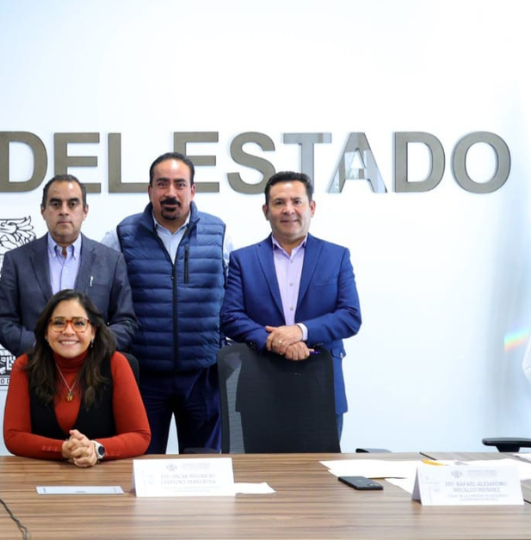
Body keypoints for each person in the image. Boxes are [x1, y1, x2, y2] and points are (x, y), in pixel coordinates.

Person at [104, 152, 233, 454]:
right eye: (162, 184)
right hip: (143, 377)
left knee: (204, 467)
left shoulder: (219, 234)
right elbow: (102, 301)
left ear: (193, 190)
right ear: (150, 190)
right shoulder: (121, 235)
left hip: (203, 376)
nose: (171, 193)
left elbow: (232, 298)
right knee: (141, 464)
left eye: (179, 184)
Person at [220, 171, 361, 437]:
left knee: (321, 464)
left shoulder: (336, 256)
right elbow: (230, 317)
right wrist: (275, 340)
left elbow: (350, 316)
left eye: (297, 201)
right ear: (266, 211)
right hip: (259, 385)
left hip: (322, 387)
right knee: (259, 463)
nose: (289, 210)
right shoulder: (243, 260)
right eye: (279, 203)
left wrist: (299, 331)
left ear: (312, 207)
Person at [0, 174, 137, 358]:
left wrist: (89, 344)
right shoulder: (17, 260)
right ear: (43, 211)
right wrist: (40, 347)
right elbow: (2, 321)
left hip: (94, 370)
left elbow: (126, 323)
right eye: (55, 204)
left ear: (85, 211)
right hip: (36, 368)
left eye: (72, 204)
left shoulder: (111, 261)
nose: (64, 211)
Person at [3, 290, 149, 465]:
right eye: (58, 323)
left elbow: (140, 436)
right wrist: (63, 449)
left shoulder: (116, 364)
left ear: (93, 331)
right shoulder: (24, 366)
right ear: (46, 332)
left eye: (79, 323)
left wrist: (95, 448)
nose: (68, 331)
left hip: (104, 475)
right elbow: (14, 436)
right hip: (40, 474)